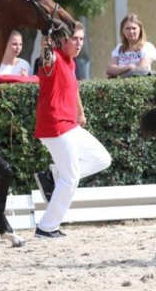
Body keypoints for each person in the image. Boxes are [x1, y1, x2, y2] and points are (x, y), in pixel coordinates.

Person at [32, 21, 112, 239]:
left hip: (70, 125)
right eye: (75, 39)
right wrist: (46, 46)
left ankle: (53, 175)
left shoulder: (70, 62)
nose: (79, 43)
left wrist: (81, 111)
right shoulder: (54, 57)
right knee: (71, 177)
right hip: (54, 125)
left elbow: (73, 87)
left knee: (102, 159)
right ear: (63, 41)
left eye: (82, 39)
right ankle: (46, 228)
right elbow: (46, 59)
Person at [106, 13, 156, 78]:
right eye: (127, 28)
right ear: (122, 31)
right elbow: (110, 70)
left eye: (134, 28)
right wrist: (130, 66)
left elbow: (140, 71)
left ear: (140, 29)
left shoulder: (147, 47)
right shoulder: (119, 48)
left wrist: (117, 72)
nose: (131, 31)